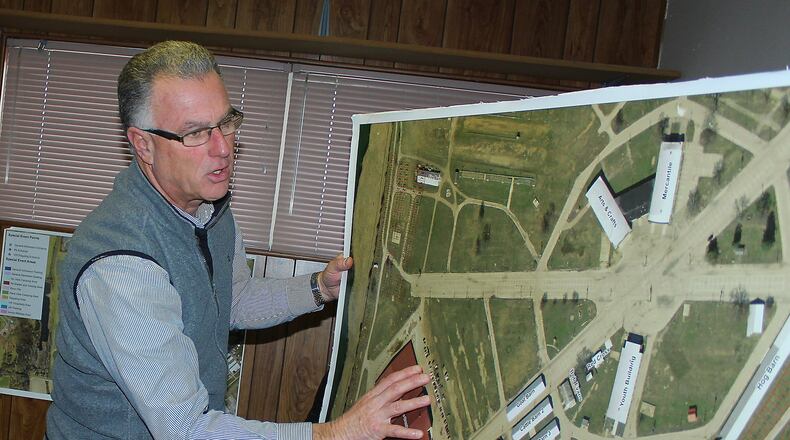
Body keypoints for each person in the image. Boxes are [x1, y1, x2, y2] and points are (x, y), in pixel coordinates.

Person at [45, 40, 430, 440]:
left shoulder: (208, 211)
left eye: (226, 123)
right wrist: (336, 434)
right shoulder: (122, 265)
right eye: (195, 133)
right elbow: (187, 430)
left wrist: (317, 288)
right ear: (143, 145)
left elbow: (232, 301)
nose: (224, 148)